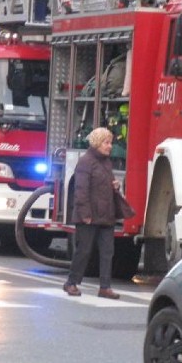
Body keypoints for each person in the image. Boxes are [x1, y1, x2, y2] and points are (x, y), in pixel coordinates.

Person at [63, 127, 121, 299]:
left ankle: (105, 287)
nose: (110, 146)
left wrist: (115, 186)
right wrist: (85, 214)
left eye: (110, 142)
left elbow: (104, 185)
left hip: (106, 216)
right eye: (106, 142)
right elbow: (81, 189)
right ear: (96, 143)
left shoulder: (106, 162)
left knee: (107, 252)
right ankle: (71, 282)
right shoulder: (86, 162)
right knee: (84, 251)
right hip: (88, 216)